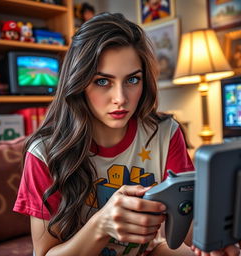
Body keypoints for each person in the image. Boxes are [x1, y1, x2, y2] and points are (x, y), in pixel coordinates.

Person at [13, 12, 240, 256]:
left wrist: (213, 240)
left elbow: (187, 221)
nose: (121, 99)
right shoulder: (44, 153)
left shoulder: (164, 133)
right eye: (102, 82)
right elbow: (45, 253)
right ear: (78, 83)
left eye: (132, 79)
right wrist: (101, 225)